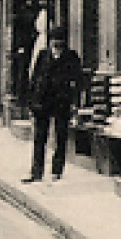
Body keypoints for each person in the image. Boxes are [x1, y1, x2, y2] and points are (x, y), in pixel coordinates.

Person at [22, 26, 85, 182]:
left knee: (61, 137)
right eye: (54, 43)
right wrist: (31, 101)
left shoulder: (72, 57)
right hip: (42, 102)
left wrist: (75, 103)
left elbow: (78, 81)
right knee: (39, 138)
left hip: (62, 103)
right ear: (50, 42)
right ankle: (36, 172)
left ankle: (57, 171)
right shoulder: (43, 55)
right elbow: (34, 79)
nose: (56, 46)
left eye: (59, 43)